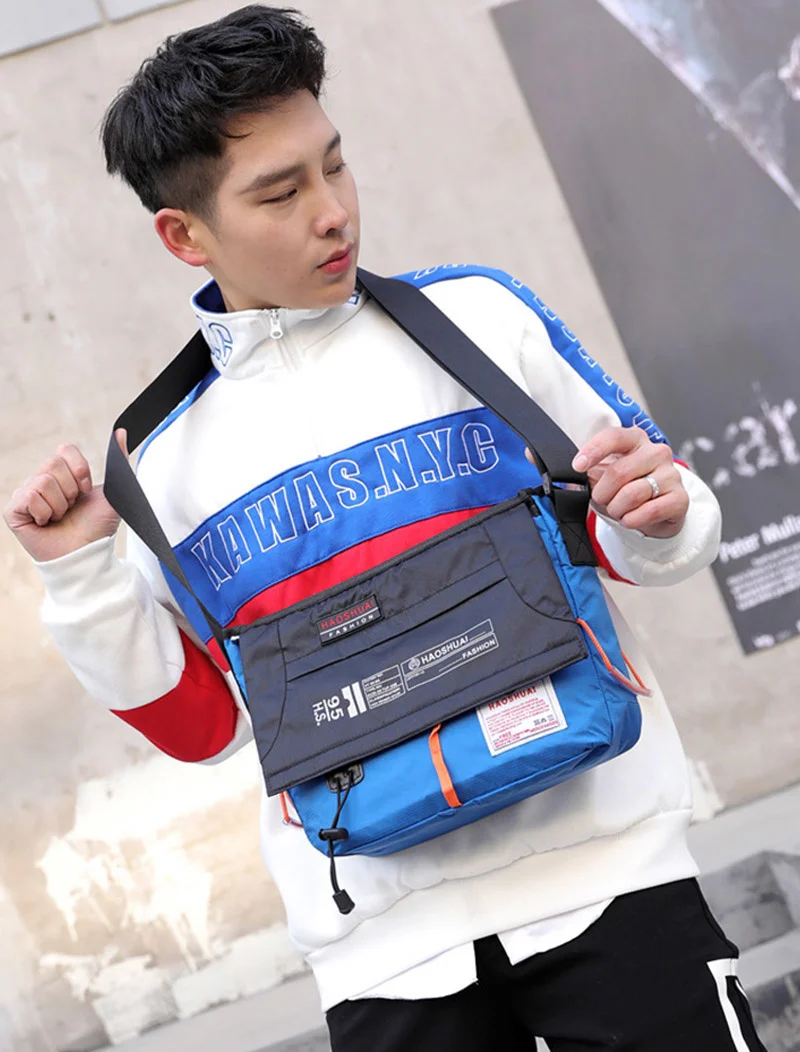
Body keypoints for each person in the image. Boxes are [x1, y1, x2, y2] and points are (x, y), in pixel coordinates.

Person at [2, 6, 767, 1051]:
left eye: (335, 164)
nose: (333, 212)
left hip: (613, 883)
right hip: (385, 958)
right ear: (183, 234)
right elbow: (201, 726)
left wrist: (661, 512)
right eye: (280, 192)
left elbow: (647, 528)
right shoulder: (158, 458)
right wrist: (82, 574)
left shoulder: (479, 321)